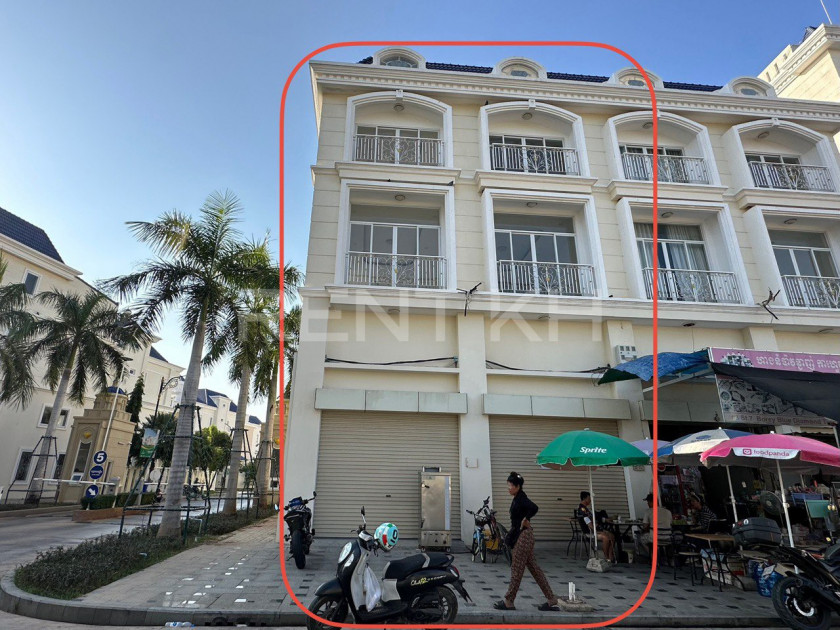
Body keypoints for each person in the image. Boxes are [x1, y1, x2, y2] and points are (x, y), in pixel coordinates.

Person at [493, 472, 559, 612]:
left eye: (510, 485)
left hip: (524, 537)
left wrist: (526, 519)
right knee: (535, 569)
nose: (508, 488)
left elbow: (534, 508)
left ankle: (509, 601)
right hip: (523, 536)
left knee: (516, 569)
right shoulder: (517, 498)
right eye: (508, 485)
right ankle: (551, 599)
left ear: (517, 486)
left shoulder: (521, 498)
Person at [577, 491, 615, 562]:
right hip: (589, 531)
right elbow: (589, 524)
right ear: (584, 498)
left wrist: (605, 520)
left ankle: (610, 555)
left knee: (611, 536)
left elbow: (594, 518)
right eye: (589, 498)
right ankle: (605, 556)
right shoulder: (582, 510)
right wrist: (598, 531)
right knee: (606, 537)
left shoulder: (587, 509)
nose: (590, 500)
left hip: (595, 529)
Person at [640, 493, 673, 559]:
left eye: (648, 502)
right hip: (667, 538)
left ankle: (653, 557)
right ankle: (667, 558)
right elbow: (671, 524)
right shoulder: (668, 512)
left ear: (652, 502)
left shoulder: (648, 511)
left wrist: (648, 526)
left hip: (654, 538)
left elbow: (645, 526)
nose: (647, 504)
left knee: (642, 539)